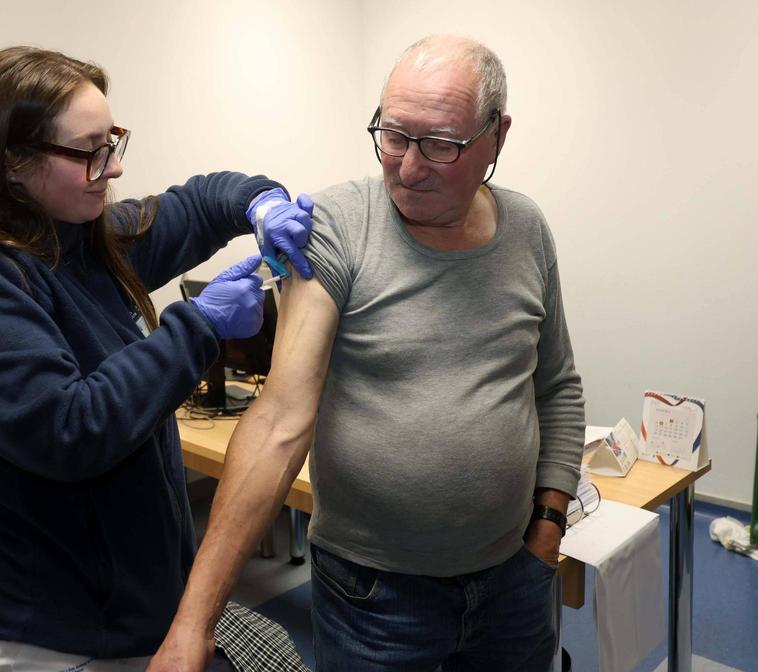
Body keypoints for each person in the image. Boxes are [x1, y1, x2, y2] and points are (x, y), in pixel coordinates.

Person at [150, 35, 587, 672]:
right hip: (374, 597)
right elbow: (279, 420)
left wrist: (547, 527)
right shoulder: (337, 224)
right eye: (393, 136)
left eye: (441, 144)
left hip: (512, 580)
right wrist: (195, 623)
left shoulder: (527, 229)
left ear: (497, 136)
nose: (409, 169)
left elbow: (556, 388)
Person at [0, 46, 316, 671]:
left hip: (127, 605)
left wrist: (261, 203)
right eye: (90, 150)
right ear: (12, 162)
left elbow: (200, 203)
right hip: (45, 631)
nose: (113, 168)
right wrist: (199, 326)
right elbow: (70, 429)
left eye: (113, 140)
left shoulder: (79, 235)